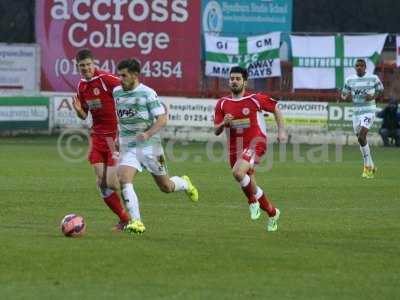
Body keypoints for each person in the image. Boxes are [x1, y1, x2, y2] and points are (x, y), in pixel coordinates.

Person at [113, 58, 199, 234]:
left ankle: (184, 183)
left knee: (166, 187)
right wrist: (117, 137)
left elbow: (162, 118)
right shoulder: (117, 92)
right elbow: (119, 118)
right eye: (119, 75)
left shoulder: (147, 93)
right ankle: (137, 222)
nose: (120, 79)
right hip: (129, 147)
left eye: (124, 75)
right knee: (123, 178)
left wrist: (147, 134)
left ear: (135, 75)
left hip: (150, 147)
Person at [213, 66, 287, 232]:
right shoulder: (222, 103)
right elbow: (216, 130)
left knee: (238, 173)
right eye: (232, 78)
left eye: (238, 78)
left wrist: (281, 131)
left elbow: (276, 109)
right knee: (248, 183)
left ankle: (252, 202)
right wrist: (223, 123)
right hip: (234, 148)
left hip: (255, 143)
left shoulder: (255, 99)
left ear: (245, 82)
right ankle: (273, 213)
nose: (234, 81)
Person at [72, 49, 130, 230]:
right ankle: (125, 219)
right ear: (77, 67)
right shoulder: (81, 86)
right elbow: (84, 116)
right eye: (82, 66)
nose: (86, 68)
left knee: (110, 183)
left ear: (94, 63)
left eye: (89, 64)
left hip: (113, 136)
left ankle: (130, 188)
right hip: (97, 136)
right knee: (101, 183)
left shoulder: (106, 79)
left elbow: (127, 90)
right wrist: (78, 110)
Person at [341, 58, 384, 179]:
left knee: (362, 136)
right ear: (355, 67)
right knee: (361, 140)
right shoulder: (350, 80)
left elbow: (381, 90)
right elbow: (344, 95)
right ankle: (372, 165)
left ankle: (367, 168)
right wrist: (346, 97)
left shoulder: (373, 78)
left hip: (369, 111)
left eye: (361, 65)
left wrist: (373, 96)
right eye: (357, 66)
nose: (359, 67)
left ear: (365, 67)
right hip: (356, 112)